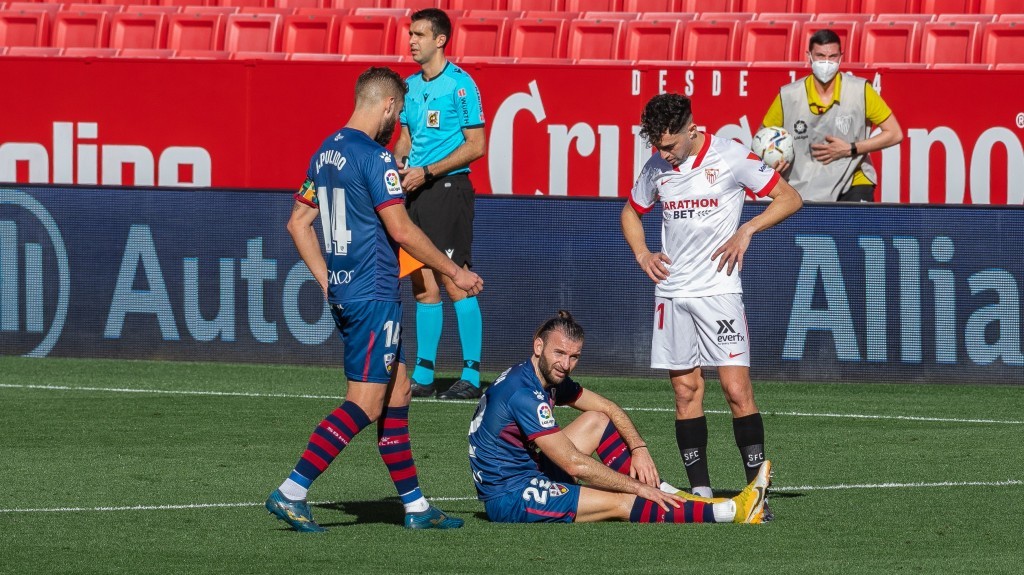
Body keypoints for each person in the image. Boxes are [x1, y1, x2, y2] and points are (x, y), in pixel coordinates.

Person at [265, 67, 484, 533]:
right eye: (399, 110)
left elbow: (297, 223)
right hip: (373, 294)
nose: (399, 119)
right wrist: (455, 271)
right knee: (364, 404)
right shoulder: (376, 158)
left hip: (350, 291)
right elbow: (401, 230)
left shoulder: (325, 152)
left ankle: (416, 506)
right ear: (386, 105)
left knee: (399, 391)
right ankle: (292, 490)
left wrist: (327, 280)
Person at [620, 93, 802, 518]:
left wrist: (747, 231)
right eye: (657, 146)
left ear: (692, 129)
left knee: (737, 391)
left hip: (719, 294)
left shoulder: (731, 156)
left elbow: (790, 198)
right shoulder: (656, 168)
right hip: (673, 294)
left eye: (669, 145)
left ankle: (757, 491)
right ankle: (700, 494)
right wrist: (643, 254)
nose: (662, 153)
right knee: (686, 392)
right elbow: (631, 212)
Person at [467, 310, 772, 525]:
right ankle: (733, 511)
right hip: (512, 496)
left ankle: (667, 493)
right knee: (622, 501)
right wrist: (635, 486)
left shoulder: (541, 376)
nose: (565, 364)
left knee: (597, 420)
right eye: (559, 353)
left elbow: (609, 409)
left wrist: (639, 448)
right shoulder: (524, 394)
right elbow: (574, 463)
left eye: (574, 357)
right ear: (538, 346)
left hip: (532, 471)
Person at [395, 8, 487, 401]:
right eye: (410, 34)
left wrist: (428, 171)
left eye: (419, 34)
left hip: (447, 188)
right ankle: (425, 373)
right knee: (422, 284)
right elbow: (404, 136)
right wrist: (400, 163)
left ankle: (470, 374)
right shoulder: (410, 86)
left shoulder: (461, 86)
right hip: (413, 189)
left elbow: (476, 146)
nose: (412, 40)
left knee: (454, 278)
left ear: (440, 40)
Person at [760, 28, 903, 202]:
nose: (826, 62)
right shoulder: (789, 95)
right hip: (804, 183)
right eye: (820, 56)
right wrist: (773, 162)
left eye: (832, 56)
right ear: (809, 56)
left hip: (852, 179)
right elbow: (762, 140)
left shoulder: (861, 90)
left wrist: (850, 148)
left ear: (841, 57)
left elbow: (895, 134)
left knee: (854, 225)